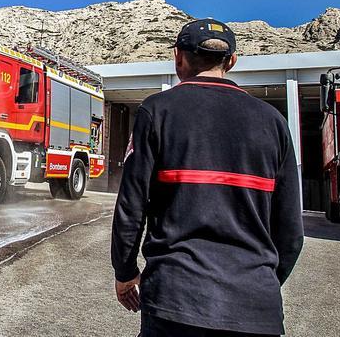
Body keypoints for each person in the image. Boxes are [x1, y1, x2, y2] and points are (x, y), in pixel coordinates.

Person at [111, 19, 304, 337]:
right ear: (232, 61)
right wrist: (260, 285)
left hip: (175, 298)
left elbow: (131, 207)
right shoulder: (274, 122)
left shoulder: (157, 111)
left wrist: (125, 272)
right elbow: (291, 230)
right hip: (256, 305)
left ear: (178, 57)